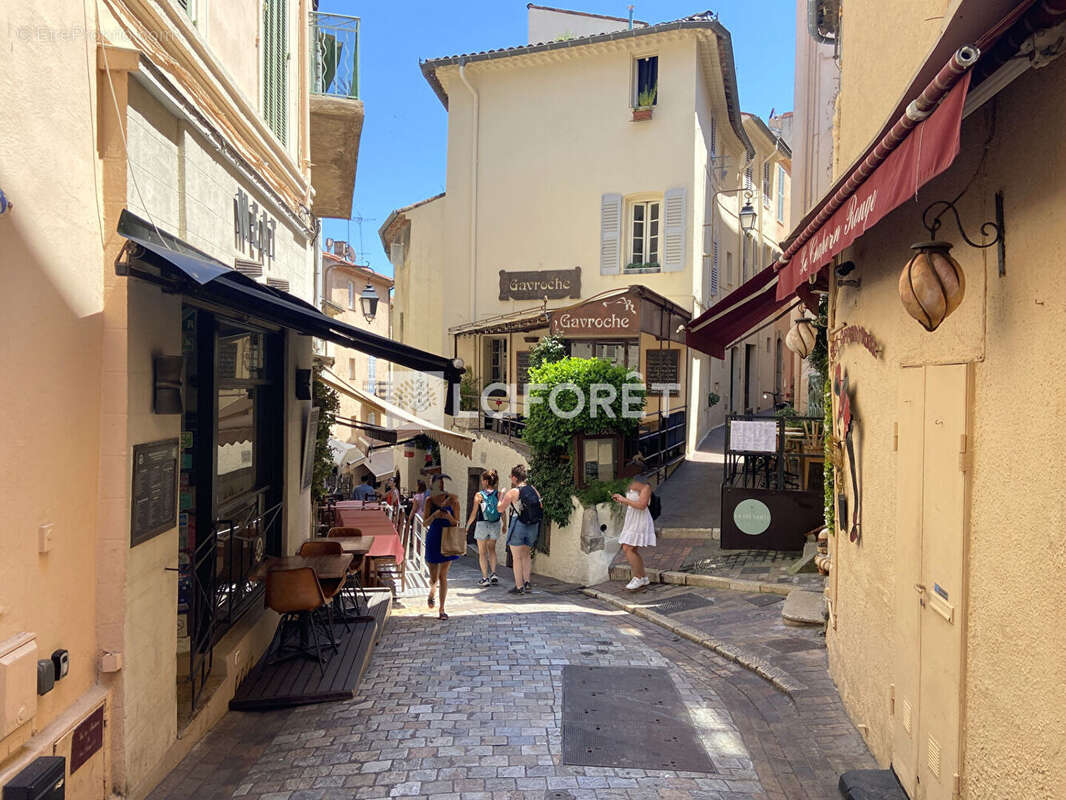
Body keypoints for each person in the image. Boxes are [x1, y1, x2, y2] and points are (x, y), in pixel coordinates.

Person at [498, 464, 541, 595]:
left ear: (515, 478)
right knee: (526, 554)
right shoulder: (533, 489)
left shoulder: (513, 492)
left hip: (519, 524)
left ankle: (519, 586)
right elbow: (540, 504)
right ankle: (527, 582)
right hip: (532, 525)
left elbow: (500, 508)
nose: (511, 478)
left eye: (511, 476)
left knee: (516, 557)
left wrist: (501, 496)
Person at [423, 474, 460, 619]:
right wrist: (435, 516)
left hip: (448, 538)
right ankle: (432, 591)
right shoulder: (429, 501)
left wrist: (448, 517)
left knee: (443, 575)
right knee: (433, 577)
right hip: (434, 538)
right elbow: (425, 523)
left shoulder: (453, 501)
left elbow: (457, 523)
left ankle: (442, 609)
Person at [612, 478, 656, 591]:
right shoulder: (632, 484)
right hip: (632, 519)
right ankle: (643, 577)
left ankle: (638, 577)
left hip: (640, 520)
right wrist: (621, 499)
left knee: (628, 548)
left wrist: (624, 500)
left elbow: (642, 505)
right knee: (631, 549)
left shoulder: (646, 487)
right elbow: (632, 502)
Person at [465, 469, 502, 586]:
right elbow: (503, 511)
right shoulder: (499, 494)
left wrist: (468, 526)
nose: (481, 482)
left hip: (482, 524)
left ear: (486, 481)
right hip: (495, 523)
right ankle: (494, 573)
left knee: (482, 552)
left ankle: (485, 578)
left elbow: (474, 512)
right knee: (492, 549)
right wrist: (505, 524)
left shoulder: (479, 495)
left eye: (482, 480)